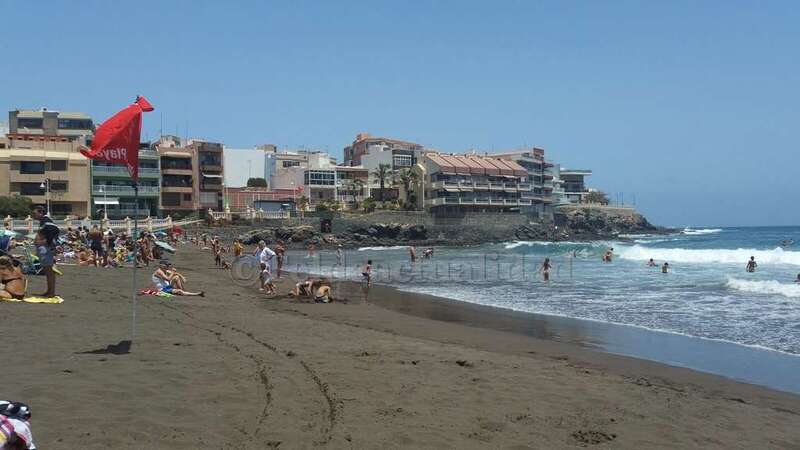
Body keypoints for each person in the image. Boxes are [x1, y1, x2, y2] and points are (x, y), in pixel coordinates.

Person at [32, 206, 58, 297]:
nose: (33, 215)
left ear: (41, 213)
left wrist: (46, 242)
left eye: (35, 213)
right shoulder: (43, 221)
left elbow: (55, 230)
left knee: (49, 270)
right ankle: (49, 291)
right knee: (47, 271)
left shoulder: (45, 220)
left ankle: (51, 292)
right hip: (44, 248)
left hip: (45, 249)